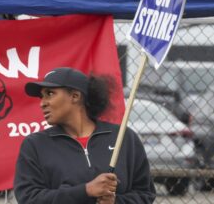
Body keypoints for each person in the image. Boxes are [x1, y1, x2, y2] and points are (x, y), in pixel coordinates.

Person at [14, 67, 156, 204]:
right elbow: (28, 198)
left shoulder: (123, 138)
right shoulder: (35, 145)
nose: (42, 103)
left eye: (50, 94)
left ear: (75, 96)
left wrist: (115, 202)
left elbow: (145, 193)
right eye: (41, 96)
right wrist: (85, 191)